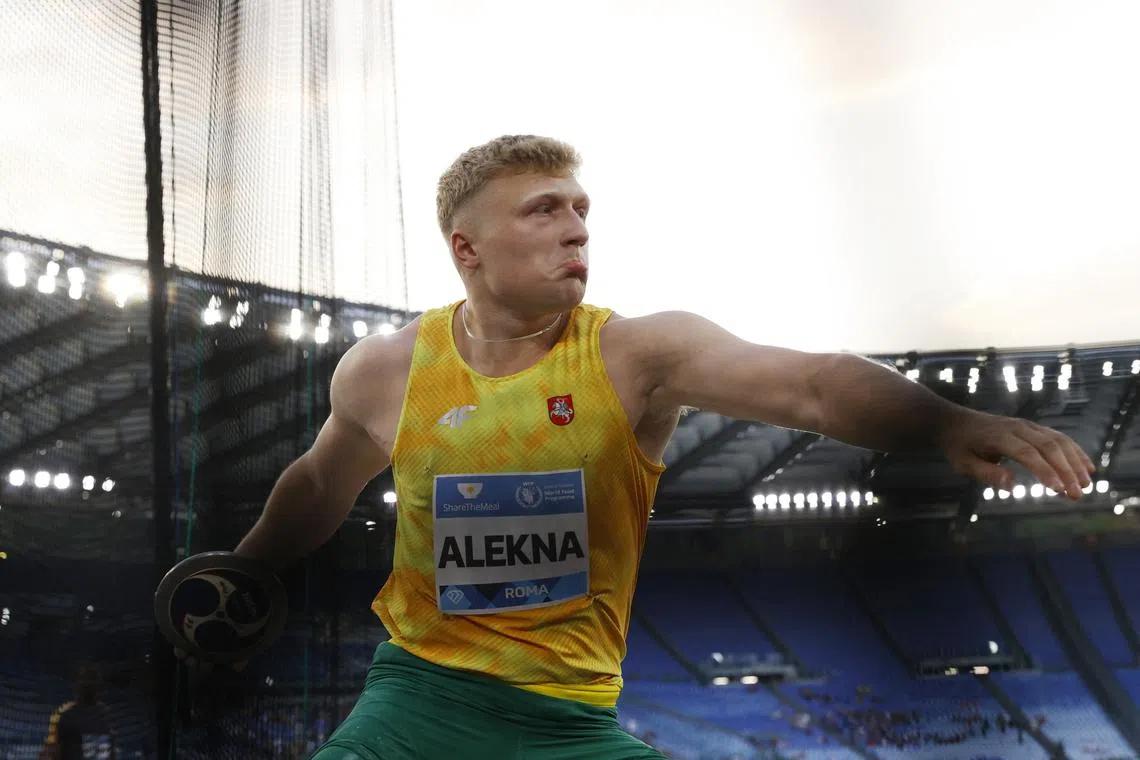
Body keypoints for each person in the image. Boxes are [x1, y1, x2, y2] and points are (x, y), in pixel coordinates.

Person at [232, 135, 1095, 759]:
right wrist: (241, 574)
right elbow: (318, 485)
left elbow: (814, 383)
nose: (577, 229)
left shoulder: (637, 355)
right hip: (416, 704)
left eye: (581, 211)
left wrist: (946, 422)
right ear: (468, 249)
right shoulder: (386, 372)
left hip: (570, 721)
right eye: (544, 211)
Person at [39, 664, 116, 760]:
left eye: (90, 683)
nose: (88, 687)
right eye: (86, 684)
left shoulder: (105, 718)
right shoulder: (69, 717)